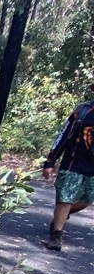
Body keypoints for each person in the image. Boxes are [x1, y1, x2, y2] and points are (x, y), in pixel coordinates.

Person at [43, 99, 94, 251]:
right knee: (66, 199)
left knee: (87, 200)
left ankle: (61, 214)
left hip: (92, 168)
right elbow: (63, 135)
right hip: (73, 163)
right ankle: (57, 235)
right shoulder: (83, 111)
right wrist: (50, 161)